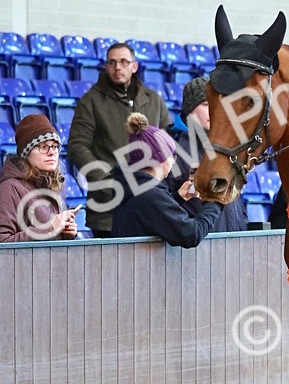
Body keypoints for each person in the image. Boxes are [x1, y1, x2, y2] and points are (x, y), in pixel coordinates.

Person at [67, 42, 171, 239]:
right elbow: (77, 146)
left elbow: (167, 143)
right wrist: (105, 182)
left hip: (150, 202)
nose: (118, 67)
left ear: (134, 66)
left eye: (124, 62)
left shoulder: (154, 100)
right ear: (106, 67)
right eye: (112, 62)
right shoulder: (90, 101)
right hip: (108, 208)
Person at [112, 113, 222, 246]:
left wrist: (178, 198)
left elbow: (151, 215)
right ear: (160, 159)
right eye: (171, 156)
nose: (172, 162)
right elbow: (192, 234)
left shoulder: (133, 187)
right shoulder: (150, 195)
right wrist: (216, 202)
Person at [170, 77, 249, 232]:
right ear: (189, 109)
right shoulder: (173, 149)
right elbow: (164, 206)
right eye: (206, 105)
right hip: (198, 247)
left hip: (234, 242)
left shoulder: (226, 147)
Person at [0, 114, 78, 242]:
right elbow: (3, 242)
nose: (52, 152)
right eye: (43, 147)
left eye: (54, 146)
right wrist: (51, 228)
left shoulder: (50, 185)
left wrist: (64, 233)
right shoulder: (10, 188)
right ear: (27, 153)